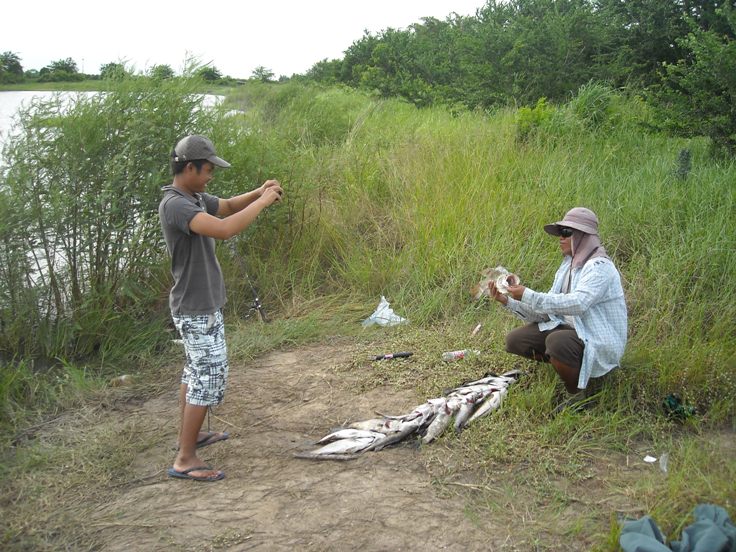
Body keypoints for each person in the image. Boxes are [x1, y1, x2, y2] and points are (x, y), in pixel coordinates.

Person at [159, 135, 283, 481]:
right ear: (189, 167)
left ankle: (192, 435)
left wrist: (258, 193)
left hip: (202, 302)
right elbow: (225, 229)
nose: (211, 175)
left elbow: (226, 207)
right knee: (208, 375)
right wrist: (264, 204)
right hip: (194, 306)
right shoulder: (177, 205)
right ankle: (185, 458)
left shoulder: (193, 196)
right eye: (208, 169)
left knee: (194, 372)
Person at [488, 207, 627, 400]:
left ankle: (577, 394)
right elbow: (547, 311)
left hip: (595, 338)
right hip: (572, 330)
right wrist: (508, 300)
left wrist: (528, 295)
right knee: (515, 340)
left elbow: (579, 303)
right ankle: (569, 366)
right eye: (560, 233)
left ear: (583, 237)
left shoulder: (599, 267)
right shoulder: (567, 266)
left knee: (556, 343)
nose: (561, 238)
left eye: (566, 233)